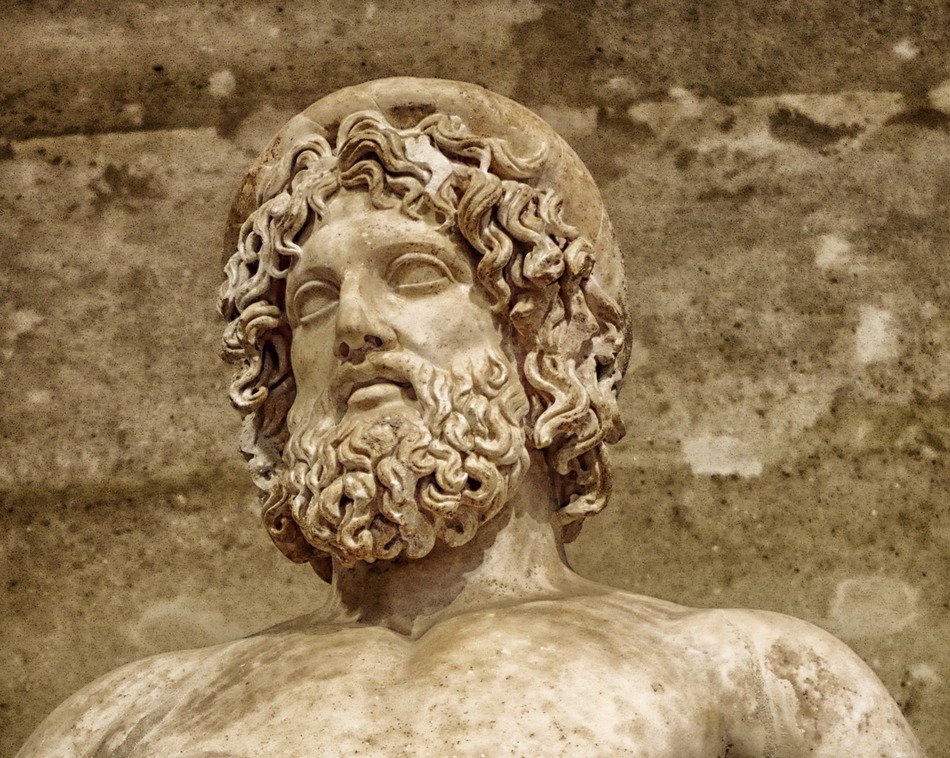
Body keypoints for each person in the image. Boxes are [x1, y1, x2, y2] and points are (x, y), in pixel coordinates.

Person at [19, 78, 921, 757]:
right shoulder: (129, 716)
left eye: (414, 276)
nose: (358, 327)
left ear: (540, 343)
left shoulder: (751, 671)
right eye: (314, 301)